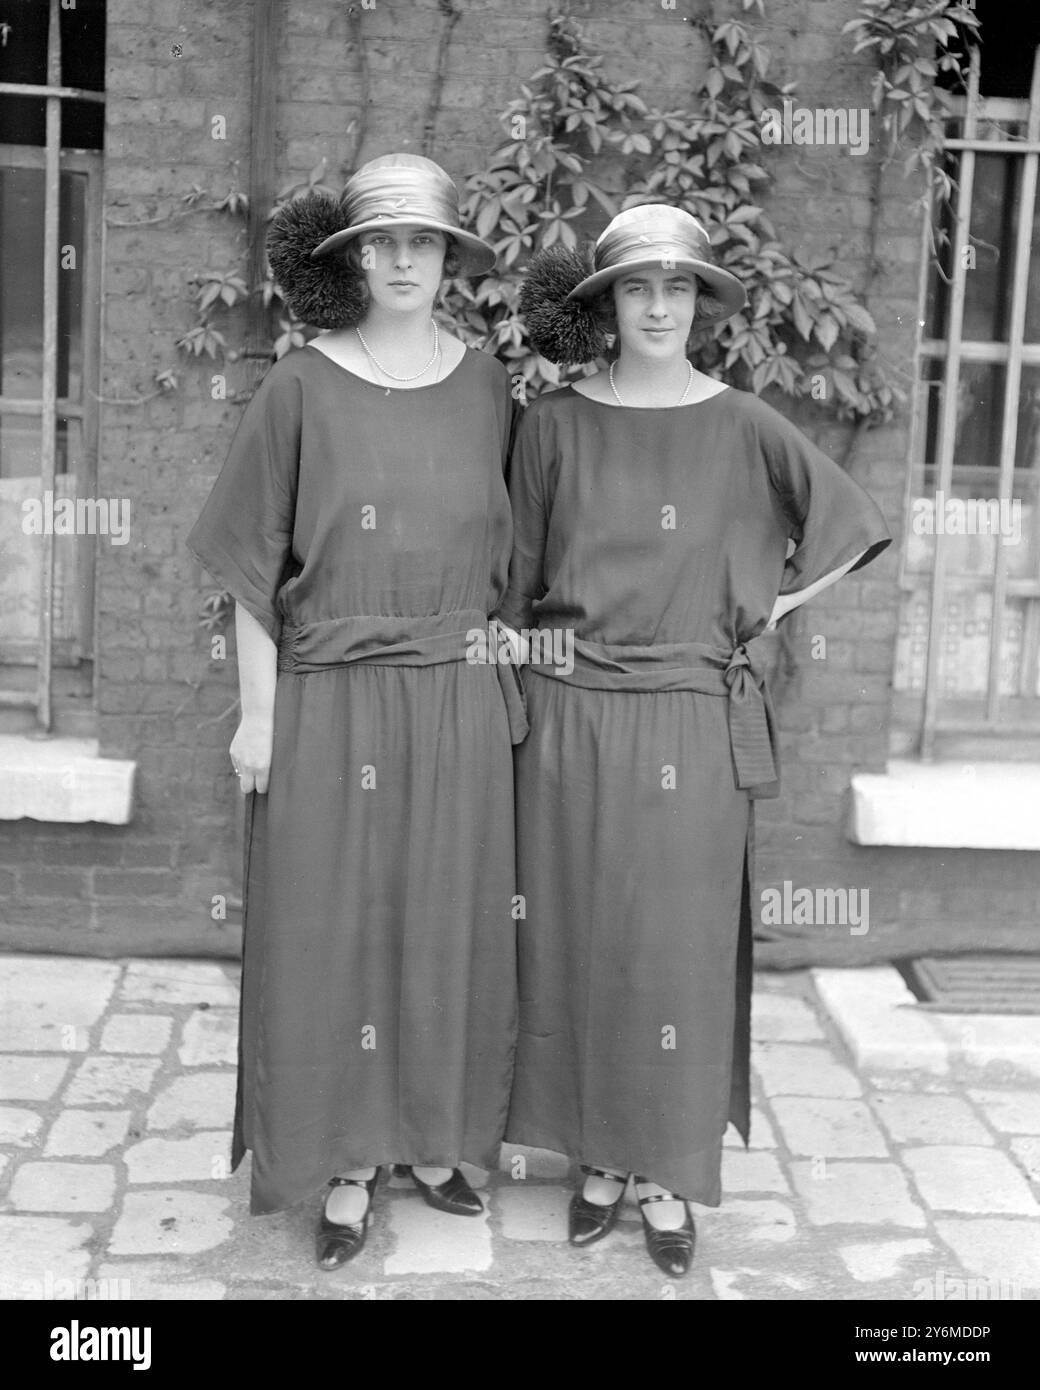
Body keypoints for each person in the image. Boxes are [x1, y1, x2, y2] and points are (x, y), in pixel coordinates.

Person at [500, 203, 891, 1278]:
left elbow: (853, 529)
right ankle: (593, 1159)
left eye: (676, 288)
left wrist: (770, 606)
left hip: (687, 718)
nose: (658, 306)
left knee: (670, 955)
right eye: (637, 288)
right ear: (609, 304)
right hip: (570, 717)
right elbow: (516, 580)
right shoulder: (552, 425)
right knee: (574, 943)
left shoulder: (745, 425)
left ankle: (666, 1171)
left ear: (701, 304)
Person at [185, 153, 526, 1269]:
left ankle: (431, 1142)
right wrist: (258, 714)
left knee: (441, 925)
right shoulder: (299, 385)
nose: (401, 262)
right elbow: (244, 566)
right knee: (331, 935)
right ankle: (338, 1162)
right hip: (327, 698)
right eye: (380, 243)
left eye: (421, 243)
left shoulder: (487, 390)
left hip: (454, 699)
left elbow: (511, 564)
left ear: (447, 261)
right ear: (352, 259)